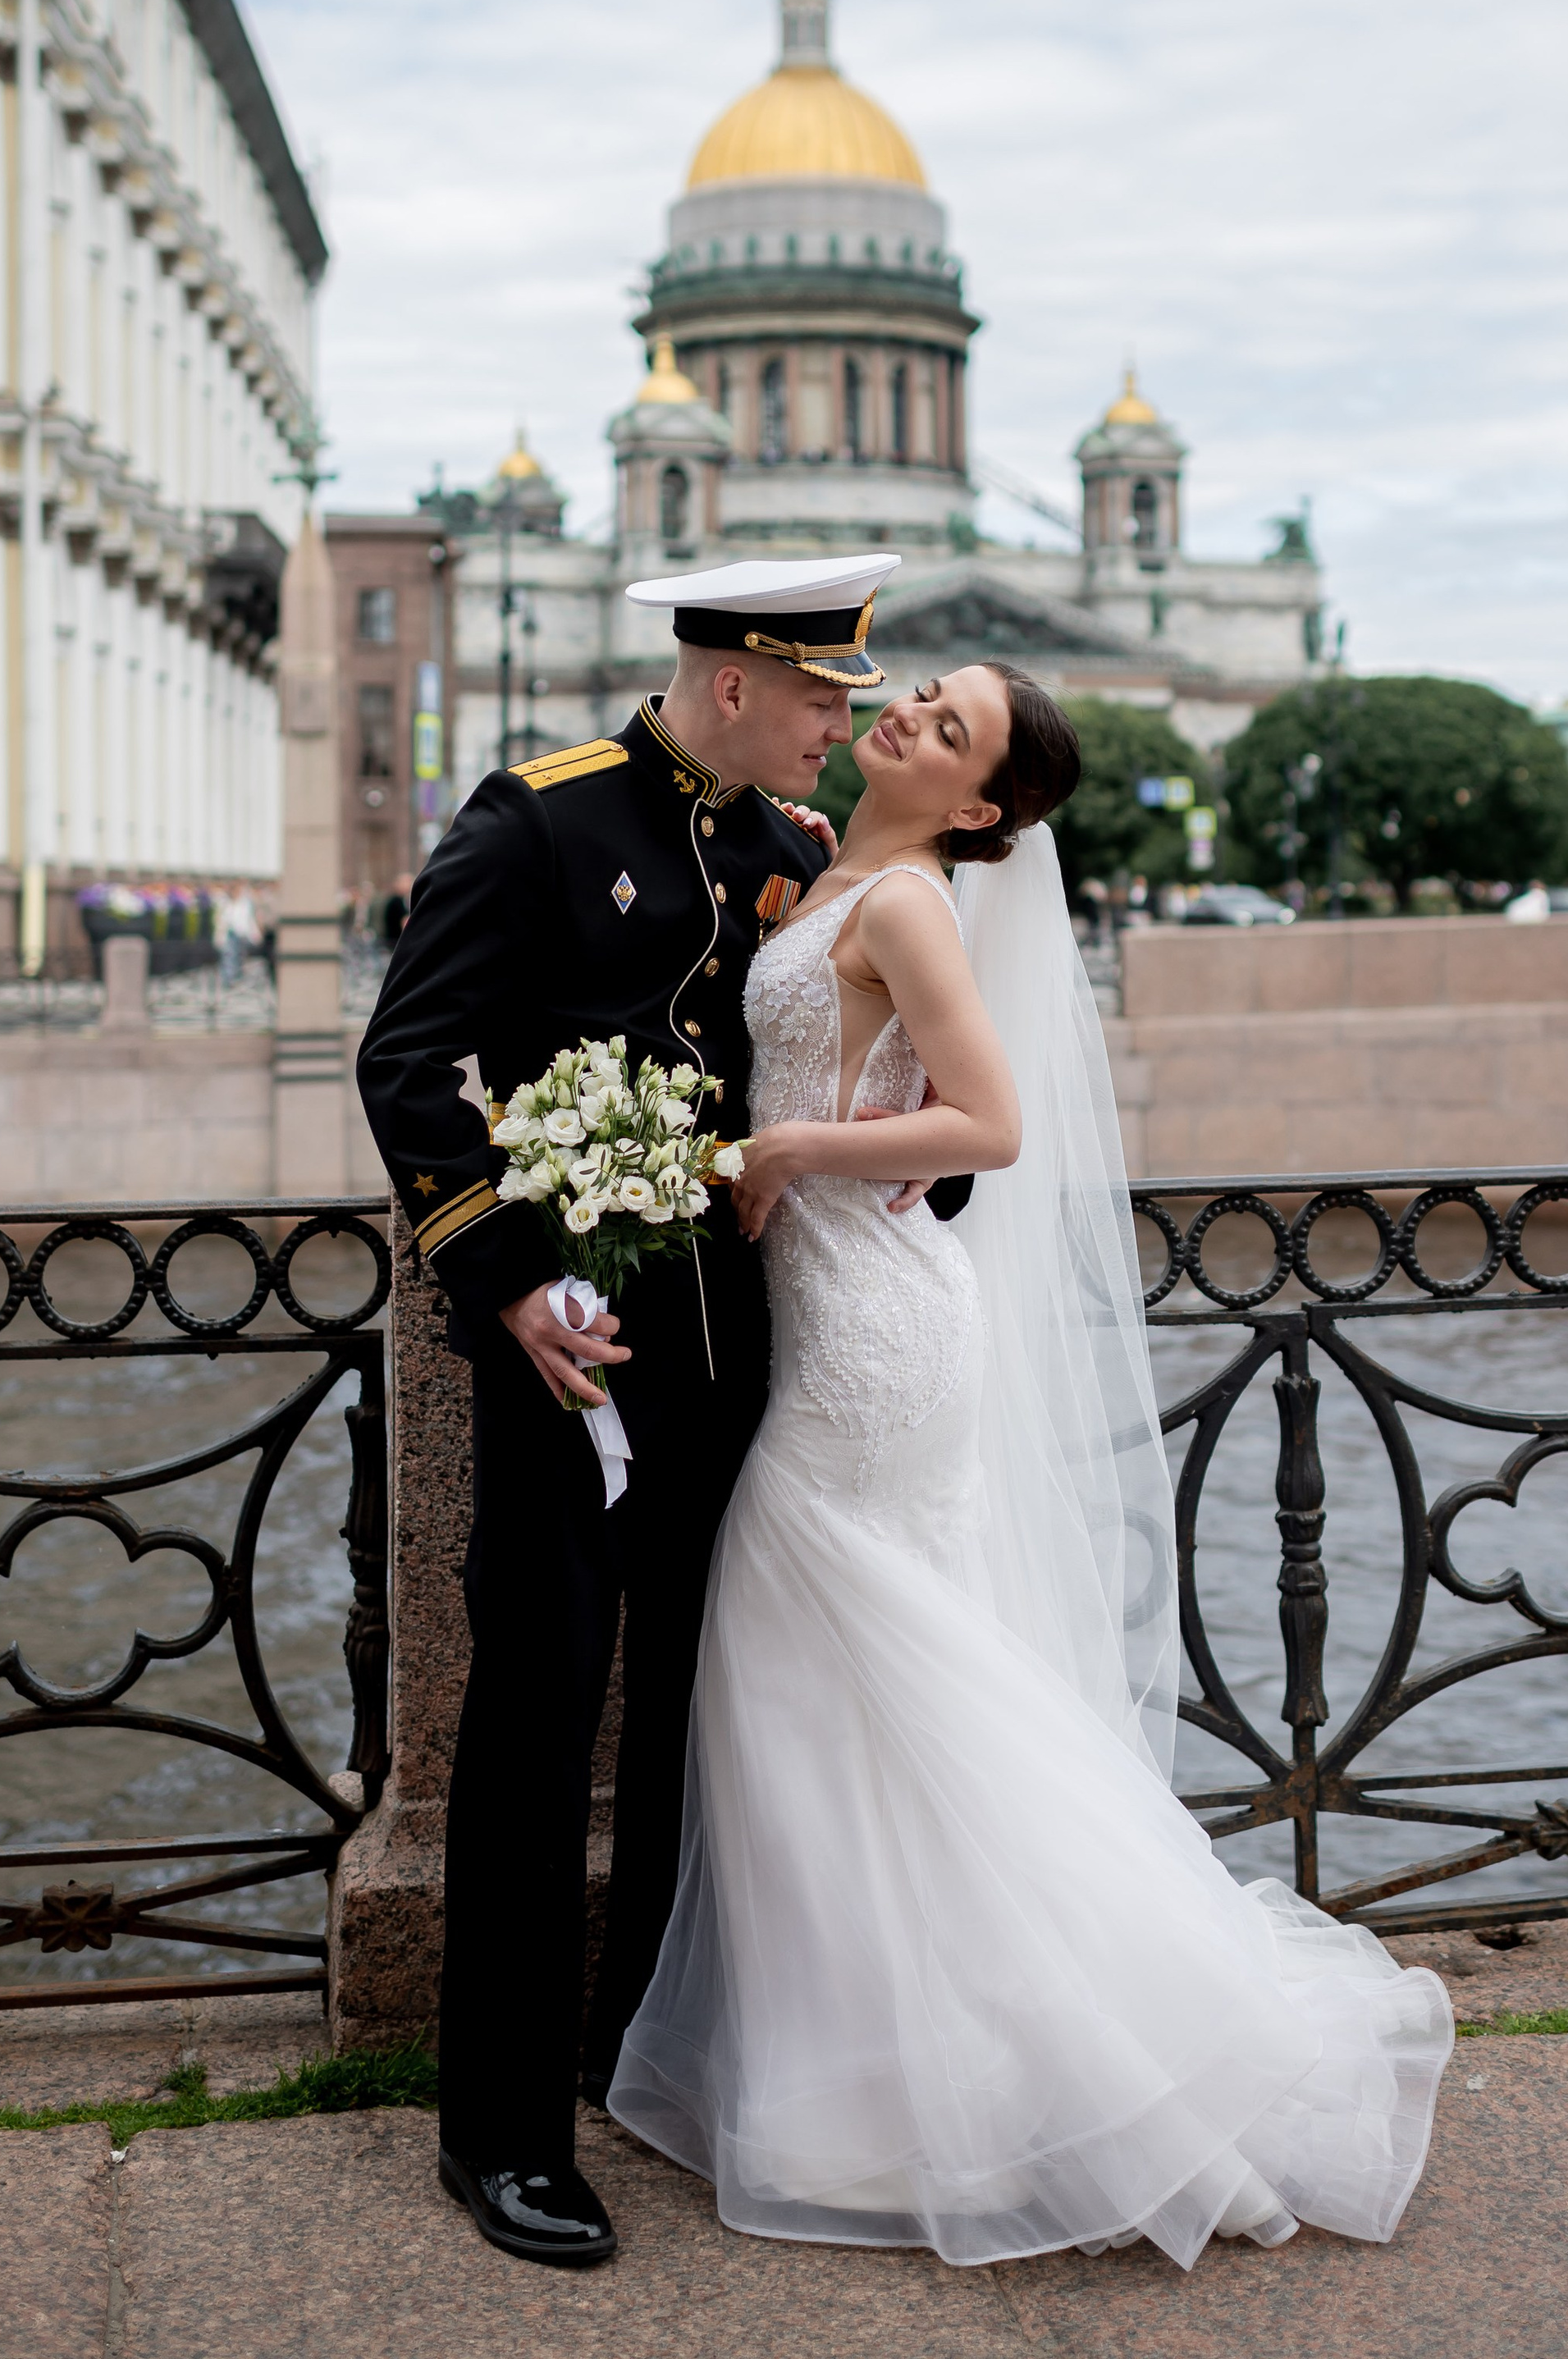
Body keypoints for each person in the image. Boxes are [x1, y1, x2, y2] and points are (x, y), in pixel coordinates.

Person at [606, 660, 1452, 2268]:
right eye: (922, 694)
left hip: (872, 1328)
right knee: (835, 1687)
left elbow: (987, 1124)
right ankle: (879, 2078)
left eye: (949, 729)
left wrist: (791, 1147)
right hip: (845, 1312)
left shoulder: (911, 900)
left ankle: (951, 2076)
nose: (909, 715)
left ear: (981, 804)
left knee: (816, 1670)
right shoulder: (827, 868)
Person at [356, 552, 945, 2271]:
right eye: (823, 696)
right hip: (576, 1359)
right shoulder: (540, 819)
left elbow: (815, 1075)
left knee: (700, 1714)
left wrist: (917, 1176)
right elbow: (412, 1059)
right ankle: (500, 2132)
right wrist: (503, 1275)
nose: (844, 724)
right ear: (732, 679)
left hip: (744, 1350)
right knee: (537, 1732)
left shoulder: (788, 853)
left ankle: (636, 2050)